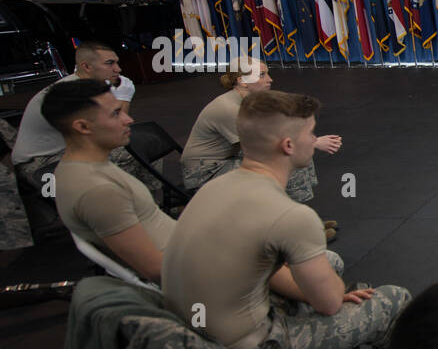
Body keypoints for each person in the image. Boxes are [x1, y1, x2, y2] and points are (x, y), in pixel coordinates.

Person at [163, 90, 410, 349]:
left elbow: (272, 268)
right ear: (288, 145)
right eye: (311, 133)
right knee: (394, 301)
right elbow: (331, 304)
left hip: (190, 340)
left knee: (328, 264)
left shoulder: (212, 189)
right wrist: (336, 293)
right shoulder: (293, 216)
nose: (314, 139)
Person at [181, 57, 341, 237]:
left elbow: (276, 128)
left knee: (292, 153)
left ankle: (301, 221)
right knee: (287, 158)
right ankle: (298, 231)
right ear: (242, 80)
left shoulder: (249, 101)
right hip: (206, 172)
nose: (270, 79)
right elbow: (264, 143)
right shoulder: (228, 108)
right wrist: (314, 142)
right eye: (262, 75)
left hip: (228, 159)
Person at [45, 79, 174, 282]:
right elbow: (157, 270)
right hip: (195, 276)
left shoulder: (85, 165)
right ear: (83, 126)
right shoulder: (98, 191)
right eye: (116, 113)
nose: (128, 119)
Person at [10, 41, 158, 196]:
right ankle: (120, 207)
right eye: (109, 63)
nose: (118, 69)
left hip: (67, 149)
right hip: (40, 162)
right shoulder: (72, 93)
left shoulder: (85, 86)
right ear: (86, 67)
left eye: (116, 63)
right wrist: (123, 97)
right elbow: (114, 130)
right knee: (130, 153)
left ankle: (152, 205)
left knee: (147, 142)